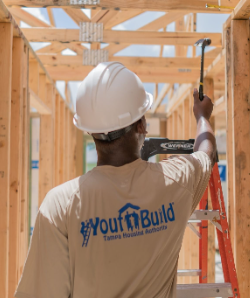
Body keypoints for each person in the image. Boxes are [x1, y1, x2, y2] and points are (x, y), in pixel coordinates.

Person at [15, 62, 216, 298]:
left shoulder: (60, 206)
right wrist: (202, 116)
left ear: (89, 130)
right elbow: (206, 152)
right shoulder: (177, 181)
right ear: (141, 125)